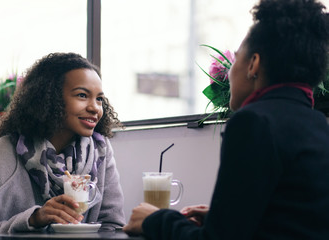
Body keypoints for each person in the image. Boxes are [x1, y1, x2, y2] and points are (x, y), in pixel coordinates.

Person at [123, 0, 329, 239]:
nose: (230, 72)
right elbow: (294, 222)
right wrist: (220, 216)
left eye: (236, 59)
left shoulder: (253, 122)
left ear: (254, 64)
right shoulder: (316, 124)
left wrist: (155, 219)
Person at [0, 52, 126, 239]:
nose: (95, 107)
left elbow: (114, 228)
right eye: (82, 95)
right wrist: (32, 220)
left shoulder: (100, 153)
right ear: (50, 98)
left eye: (99, 99)